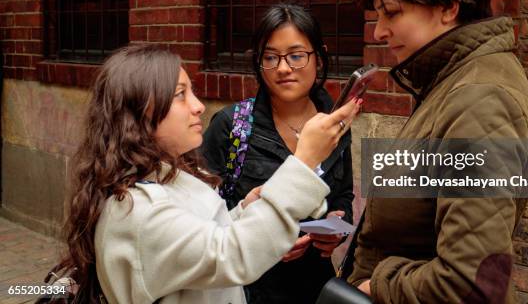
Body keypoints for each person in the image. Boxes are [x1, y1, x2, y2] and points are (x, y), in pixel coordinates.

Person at [55, 44, 360, 304]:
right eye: (180, 95)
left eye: (296, 56)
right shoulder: (139, 209)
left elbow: (202, 238)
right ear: (138, 113)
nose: (198, 106)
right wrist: (304, 160)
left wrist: (245, 210)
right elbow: (227, 253)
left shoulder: (170, 176)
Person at [342, 0, 528, 303]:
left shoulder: (480, 101)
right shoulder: (451, 79)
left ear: (449, 6)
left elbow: (471, 283)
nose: (379, 31)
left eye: (393, 12)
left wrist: (376, 287)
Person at [201, 4, 355, 304]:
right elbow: (205, 214)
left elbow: (343, 196)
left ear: (319, 58)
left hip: (315, 287)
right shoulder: (232, 126)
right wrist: (264, 236)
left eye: (296, 56)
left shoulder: (334, 124)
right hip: (249, 289)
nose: (283, 68)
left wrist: (337, 228)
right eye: (271, 58)